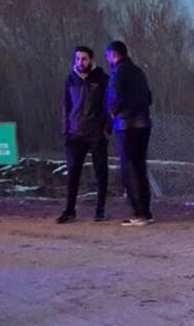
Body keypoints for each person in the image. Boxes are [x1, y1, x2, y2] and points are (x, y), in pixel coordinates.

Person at [58, 46, 111, 224]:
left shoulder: (101, 78)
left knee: (100, 172)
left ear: (91, 60)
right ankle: (70, 210)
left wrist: (107, 127)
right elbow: (66, 105)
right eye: (78, 59)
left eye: (84, 59)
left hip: (96, 132)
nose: (80, 62)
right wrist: (66, 129)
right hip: (75, 133)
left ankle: (100, 210)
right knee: (73, 173)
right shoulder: (70, 79)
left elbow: (108, 104)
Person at [105, 40, 155, 226]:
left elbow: (114, 97)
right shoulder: (139, 72)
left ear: (113, 55)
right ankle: (146, 211)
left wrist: (114, 111)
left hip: (126, 125)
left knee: (128, 168)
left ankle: (138, 212)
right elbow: (148, 97)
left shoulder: (117, 73)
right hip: (143, 123)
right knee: (140, 166)